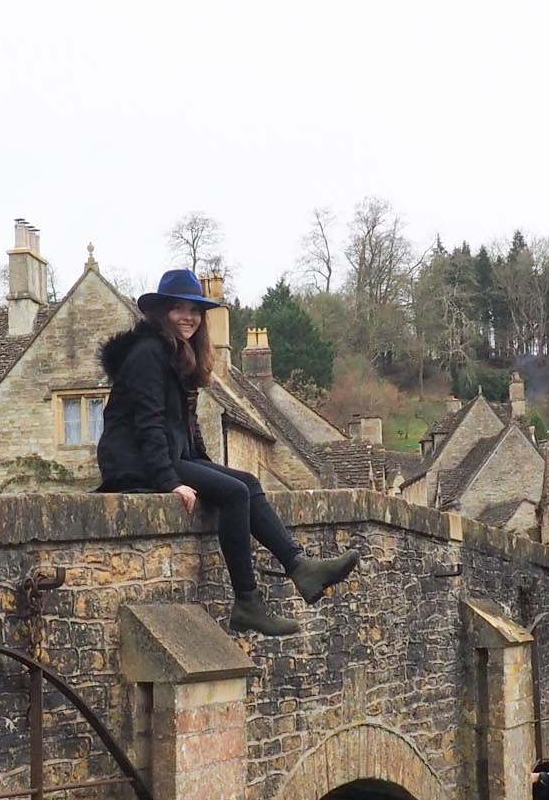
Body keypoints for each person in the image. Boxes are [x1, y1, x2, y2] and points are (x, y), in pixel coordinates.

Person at [97, 269, 359, 636]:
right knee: (234, 494)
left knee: (247, 482)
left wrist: (205, 466)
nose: (188, 317)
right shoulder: (146, 354)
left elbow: (188, 425)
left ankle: (300, 566)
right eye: (179, 309)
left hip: (170, 456)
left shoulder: (178, 354)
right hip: (135, 463)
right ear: (161, 313)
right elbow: (149, 424)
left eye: (195, 310)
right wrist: (170, 482)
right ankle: (247, 602)